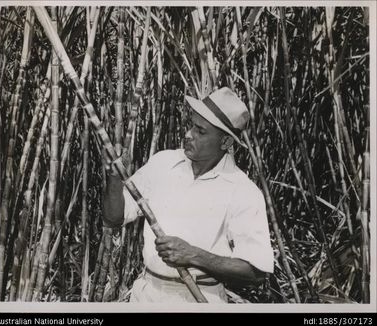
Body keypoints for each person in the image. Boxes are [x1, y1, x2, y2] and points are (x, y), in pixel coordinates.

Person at [103, 87, 274, 303]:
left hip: (199, 297)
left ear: (226, 142)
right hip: (146, 294)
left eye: (200, 132)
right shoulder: (162, 163)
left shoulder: (243, 191)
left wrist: (194, 255)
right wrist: (114, 178)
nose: (188, 135)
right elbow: (112, 218)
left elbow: (256, 273)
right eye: (191, 125)